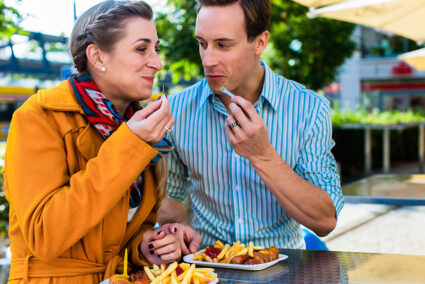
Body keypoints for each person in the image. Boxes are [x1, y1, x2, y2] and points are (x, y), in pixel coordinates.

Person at [3, 1, 180, 283]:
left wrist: (147, 247)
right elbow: (45, 236)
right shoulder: (39, 117)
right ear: (98, 57)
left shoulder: (137, 126)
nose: (157, 63)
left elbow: (116, 239)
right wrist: (130, 144)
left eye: (156, 49)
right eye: (141, 49)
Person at [158, 0, 344, 253]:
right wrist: (175, 228)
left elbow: (325, 220)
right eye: (202, 44)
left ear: (260, 42)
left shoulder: (309, 109)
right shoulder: (177, 110)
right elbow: (172, 195)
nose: (208, 60)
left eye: (223, 45)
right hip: (209, 267)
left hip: (286, 268)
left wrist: (262, 155)